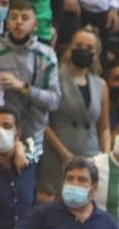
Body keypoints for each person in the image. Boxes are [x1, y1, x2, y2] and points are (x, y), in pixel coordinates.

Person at [0, 0, 62, 168]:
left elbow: (55, 100)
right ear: (7, 21)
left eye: (25, 18)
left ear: (34, 24)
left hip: (33, 137)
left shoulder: (46, 56)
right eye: (13, 17)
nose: (18, 22)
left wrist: (23, 87)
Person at [42, 28, 108, 189]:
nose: (83, 50)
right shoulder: (54, 77)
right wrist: (63, 153)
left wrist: (106, 157)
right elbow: (42, 121)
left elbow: (104, 127)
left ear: (96, 54)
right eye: (79, 45)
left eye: (89, 48)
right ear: (70, 48)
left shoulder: (101, 84)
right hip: (58, 156)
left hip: (91, 157)